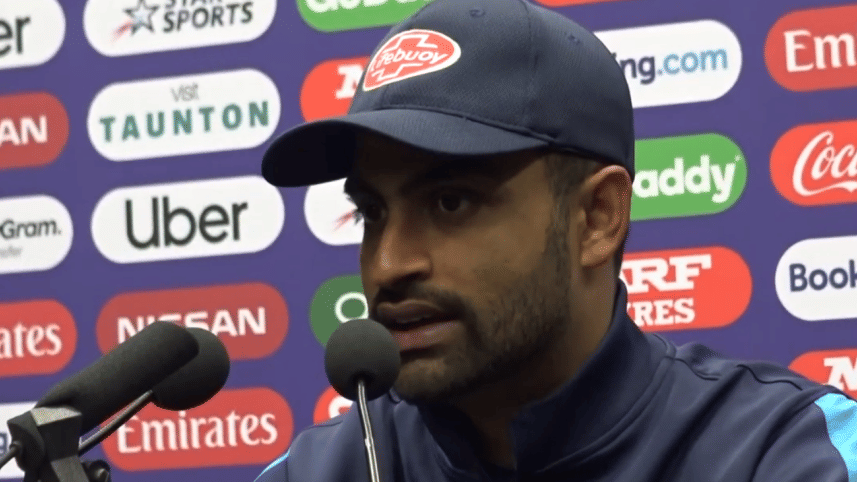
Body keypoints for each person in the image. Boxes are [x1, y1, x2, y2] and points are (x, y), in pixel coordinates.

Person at [255, 0, 857, 480]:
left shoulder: (786, 452)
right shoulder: (319, 471)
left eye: (450, 201)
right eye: (371, 212)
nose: (387, 265)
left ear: (598, 216)